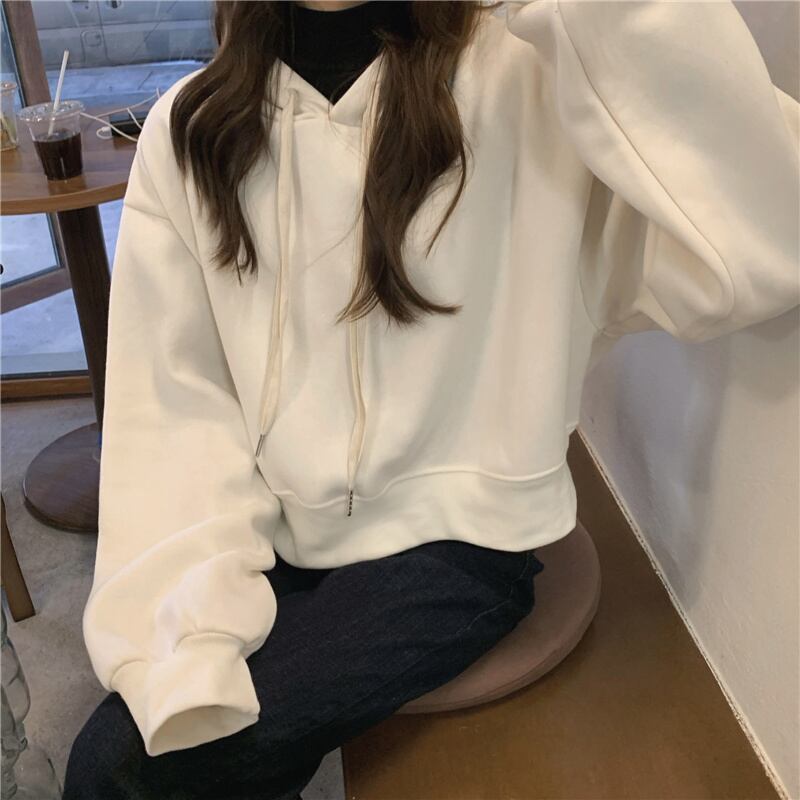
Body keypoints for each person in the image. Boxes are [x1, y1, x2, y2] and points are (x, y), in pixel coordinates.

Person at [63, 0, 799, 798]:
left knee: (119, 774)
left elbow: (770, 233)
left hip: (461, 545)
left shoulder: (531, 78)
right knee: (151, 736)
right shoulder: (193, 129)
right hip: (268, 524)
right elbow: (178, 417)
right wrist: (186, 636)